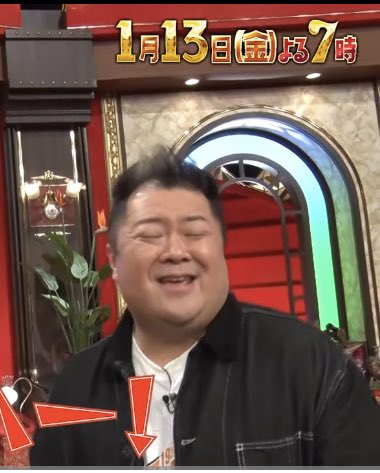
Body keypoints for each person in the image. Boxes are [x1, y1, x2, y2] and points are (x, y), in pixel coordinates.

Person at [29, 151, 380, 467]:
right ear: (114, 260)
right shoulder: (74, 390)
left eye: (195, 233)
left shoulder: (311, 365)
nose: (175, 251)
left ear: (222, 248)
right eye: (150, 235)